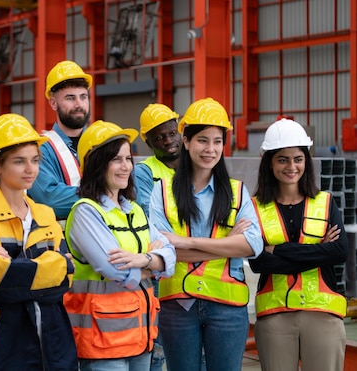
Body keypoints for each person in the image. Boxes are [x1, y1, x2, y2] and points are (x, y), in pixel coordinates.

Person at [0, 113, 77, 370]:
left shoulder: (44, 214)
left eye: (34, 160)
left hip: (49, 342)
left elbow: (67, 276)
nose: (30, 169)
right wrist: (49, 265)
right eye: (19, 161)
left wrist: (19, 268)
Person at [149, 97, 263, 371]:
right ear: (186, 141)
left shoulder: (237, 191)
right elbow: (160, 249)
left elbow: (252, 245)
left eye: (217, 141)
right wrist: (226, 244)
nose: (210, 149)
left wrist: (186, 243)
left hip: (227, 307)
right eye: (202, 140)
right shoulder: (162, 191)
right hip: (178, 307)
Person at [64, 120, 176, 371]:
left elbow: (170, 258)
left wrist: (144, 260)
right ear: (96, 164)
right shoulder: (86, 212)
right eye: (116, 159)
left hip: (140, 336)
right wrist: (153, 261)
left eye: (128, 159)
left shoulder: (135, 210)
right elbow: (115, 271)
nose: (126, 166)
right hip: (103, 342)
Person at [249, 118, 348, 371]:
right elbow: (259, 261)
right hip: (275, 316)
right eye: (283, 159)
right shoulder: (254, 207)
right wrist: (318, 250)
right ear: (269, 162)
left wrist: (279, 250)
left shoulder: (325, 202)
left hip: (323, 313)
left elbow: (338, 252)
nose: (291, 166)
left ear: (306, 160)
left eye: (298, 159)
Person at [134, 103, 182, 371]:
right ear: (148, 142)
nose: (168, 141)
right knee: (157, 349)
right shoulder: (144, 172)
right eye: (159, 137)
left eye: (171, 133)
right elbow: (149, 219)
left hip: (193, 272)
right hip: (158, 275)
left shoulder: (198, 165)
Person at [28, 60, 92, 220]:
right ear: (53, 103)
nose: (79, 104)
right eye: (70, 98)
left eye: (83, 97)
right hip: (58, 242)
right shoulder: (40, 149)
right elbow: (50, 200)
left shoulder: (101, 143)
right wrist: (104, 194)